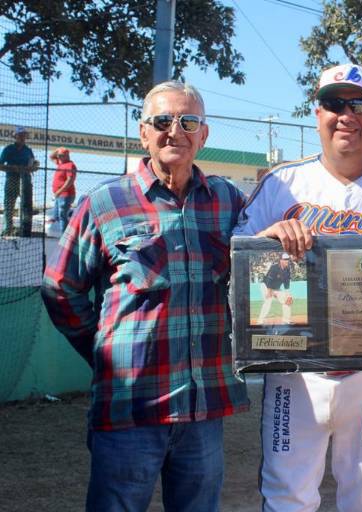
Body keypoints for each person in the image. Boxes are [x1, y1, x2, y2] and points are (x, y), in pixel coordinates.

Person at [234, 63, 362, 512]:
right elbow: (236, 260)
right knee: (288, 496)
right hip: (296, 373)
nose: (346, 114)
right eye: (334, 104)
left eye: (359, 105)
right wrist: (265, 241)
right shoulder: (282, 183)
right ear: (317, 114)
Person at [40, 81, 249, 511]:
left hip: (203, 409)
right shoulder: (104, 202)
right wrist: (102, 351)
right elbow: (60, 287)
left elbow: (266, 261)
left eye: (188, 121)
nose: (175, 131)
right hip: (129, 410)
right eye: (162, 121)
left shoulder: (229, 201)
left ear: (203, 135)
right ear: (143, 132)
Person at [1, 126, 37, 236]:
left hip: (25, 180)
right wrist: (13, 168)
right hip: (12, 179)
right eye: (20, 135)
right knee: (9, 205)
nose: (22, 137)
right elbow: (0, 165)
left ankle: (24, 229)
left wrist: (35, 166)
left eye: (24, 135)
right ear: (15, 136)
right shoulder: (8, 149)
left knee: (26, 206)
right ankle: (8, 229)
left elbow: (32, 164)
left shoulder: (28, 150)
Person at [258, 252, 293, 324]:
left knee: (286, 300)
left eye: (288, 259)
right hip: (266, 286)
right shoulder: (274, 267)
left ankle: (286, 320)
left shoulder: (287, 269)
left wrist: (288, 294)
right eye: (285, 259)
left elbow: (287, 283)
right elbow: (269, 280)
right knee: (268, 301)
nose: (287, 261)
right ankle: (260, 320)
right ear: (281, 260)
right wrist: (269, 292)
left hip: (276, 288)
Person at [50, 146, 77, 232]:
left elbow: (70, 180)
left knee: (62, 215)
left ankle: (65, 236)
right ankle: (65, 232)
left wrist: (59, 191)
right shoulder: (61, 163)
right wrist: (57, 150)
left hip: (65, 195)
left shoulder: (70, 165)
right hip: (59, 195)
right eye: (59, 155)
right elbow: (51, 157)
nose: (59, 157)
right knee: (57, 216)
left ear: (66, 156)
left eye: (61, 155)